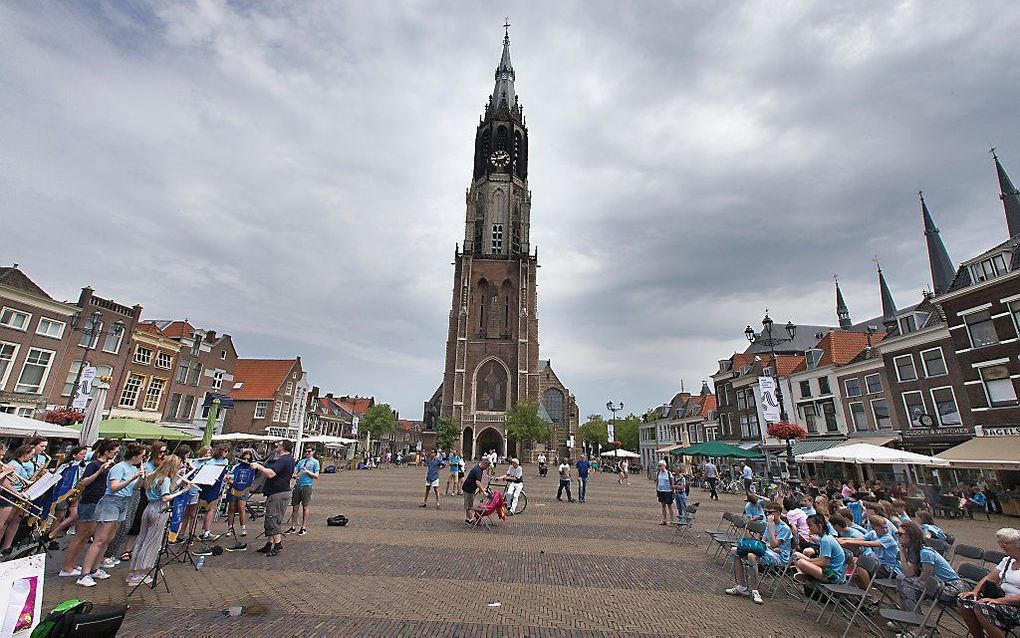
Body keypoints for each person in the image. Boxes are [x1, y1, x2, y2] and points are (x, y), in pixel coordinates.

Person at [78, 443, 146, 587]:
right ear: (135, 456)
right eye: (142, 455)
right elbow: (114, 487)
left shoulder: (133, 468)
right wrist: (132, 478)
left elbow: (134, 488)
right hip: (111, 502)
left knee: (109, 538)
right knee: (100, 539)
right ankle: (84, 574)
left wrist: (141, 478)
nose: (143, 458)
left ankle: (95, 568)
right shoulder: (119, 467)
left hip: (124, 502)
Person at [126, 455, 191, 586]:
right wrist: (183, 491)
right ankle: (139, 573)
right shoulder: (165, 479)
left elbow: (142, 488)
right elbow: (165, 498)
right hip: (159, 510)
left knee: (142, 539)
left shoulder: (153, 476)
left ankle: (133, 571)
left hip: (148, 507)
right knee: (151, 542)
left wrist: (179, 484)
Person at [59, 440, 118, 578]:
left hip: (100, 501)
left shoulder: (111, 465)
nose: (116, 455)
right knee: (82, 535)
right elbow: (84, 481)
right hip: (89, 501)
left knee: (87, 535)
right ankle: (67, 567)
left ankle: (73, 564)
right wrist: (99, 471)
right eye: (114, 452)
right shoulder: (94, 464)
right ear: (107, 451)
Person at [958, 527, 1020, 638]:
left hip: (1016, 606)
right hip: (1001, 600)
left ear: (1018, 545)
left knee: (981, 607)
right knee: (964, 601)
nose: (1001, 546)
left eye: (1005, 543)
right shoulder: (1008, 560)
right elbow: (989, 578)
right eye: (1000, 542)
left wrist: (998, 601)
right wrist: (975, 592)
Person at [726, 500, 792, 604]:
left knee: (751, 556)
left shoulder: (785, 528)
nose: (768, 515)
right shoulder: (769, 525)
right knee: (735, 551)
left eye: (770, 513)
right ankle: (741, 586)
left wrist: (770, 527)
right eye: (766, 513)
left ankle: (755, 590)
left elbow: (775, 544)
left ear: (778, 513)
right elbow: (764, 541)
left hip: (780, 557)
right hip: (769, 551)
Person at [111, 441, 165, 563]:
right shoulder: (146, 465)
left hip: (154, 497)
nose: (163, 455)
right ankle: (124, 549)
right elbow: (142, 484)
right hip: (141, 495)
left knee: (144, 524)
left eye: (164, 452)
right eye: (161, 452)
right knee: (134, 522)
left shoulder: (159, 465)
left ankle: (137, 548)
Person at [895, 520, 963, 611]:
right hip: (936, 584)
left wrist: (910, 583)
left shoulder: (925, 552)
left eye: (900, 534)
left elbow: (925, 577)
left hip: (950, 587)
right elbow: (909, 573)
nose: (898, 536)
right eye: (897, 533)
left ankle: (911, 614)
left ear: (911, 536)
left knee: (906, 584)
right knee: (901, 578)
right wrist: (903, 553)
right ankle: (907, 613)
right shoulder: (914, 551)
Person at [250, 440, 295, 557]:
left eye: (279, 445)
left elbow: (271, 474)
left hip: (277, 494)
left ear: (283, 447)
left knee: (273, 518)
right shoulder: (289, 459)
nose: (276, 447)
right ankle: (269, 544)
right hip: (279, 493)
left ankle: (278, 544)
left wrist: (258, 466)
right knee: (272, 518)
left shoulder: (283, 459)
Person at [45, 446, 89, 548]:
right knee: (59, 516)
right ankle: (52, 539)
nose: (83, 456)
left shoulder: (84, 466)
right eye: (82, 454)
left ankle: (54, 532)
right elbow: (57, 475)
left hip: (76, 492)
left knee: (75, 515)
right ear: (74, 455)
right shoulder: (66, 465)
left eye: (85, 454)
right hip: (64, 493)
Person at [839, 514, 902, 581]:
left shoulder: (888, 538)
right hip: (881, 564)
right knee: (857, 566)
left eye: (886, 527)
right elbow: (861, 539)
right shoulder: (873, 533)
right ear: (874, 527)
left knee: (860, 565)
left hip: (891, 569)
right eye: (882, 528)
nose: (885, 530)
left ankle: (866, 588)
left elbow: (869, 544)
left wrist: (847, 542)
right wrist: (843, 539)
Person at [793, 513, 847, 586]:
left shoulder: (826, 540)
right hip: (826, 569)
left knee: (801, 562)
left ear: (820, 526)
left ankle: (806, 573)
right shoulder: (825, 537)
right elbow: (821, 560)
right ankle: (804, 573)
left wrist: (807, 562)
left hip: (832, 575)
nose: (809, 528)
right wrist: (808, 561)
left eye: (811, 525)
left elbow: (825, 563)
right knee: (796, 555)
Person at [197, 445, 230, 541]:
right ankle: (206, 532)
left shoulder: (225, 461)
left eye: (227, 451)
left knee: (212, 508)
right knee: (210, 509)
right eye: (224, 451)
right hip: (208, 486)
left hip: (218, 486)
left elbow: (225, 474)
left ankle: (205, 530)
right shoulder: (211, 461)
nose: (225, 453)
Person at [286, 447, 321, 534]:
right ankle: (293, 526)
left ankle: (303, 527)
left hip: (307, 486)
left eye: (309, 451)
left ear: (313, 452)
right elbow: (295, 472)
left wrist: (307, 472)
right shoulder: (301, 462)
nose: (307, 453)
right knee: (295, 507)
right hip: (298, 485)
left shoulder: (315, 462)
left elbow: (316, 476)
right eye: (306, 451)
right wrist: (294, 475)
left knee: (305, 507)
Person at [225, 449, 257, 540]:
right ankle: (230, 528)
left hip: (244, 489)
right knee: (231, 508)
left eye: (248, 459)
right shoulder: (236, 466)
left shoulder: (251, 468)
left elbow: (253, 477)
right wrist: (229, 479)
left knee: (241, 507)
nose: (246, 461)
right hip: (234, 488)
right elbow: (230, 476)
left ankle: (243, 528)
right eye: (244, 458)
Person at [461, 458, 489, 524]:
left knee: (468, 504)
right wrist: (484, 492)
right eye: (487, 466)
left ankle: (467, 518)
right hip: (468, 488)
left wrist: (480, 489)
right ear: (484, 464)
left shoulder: (480, 469)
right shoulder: (478, 470)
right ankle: (470, 519)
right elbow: (478, 482)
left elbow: (478, 481)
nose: (486, 468)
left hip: (469, 488)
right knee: (469, 505)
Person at [654, 460, 675, 525]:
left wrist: (673, 491)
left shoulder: (668, 473)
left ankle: (672, 520)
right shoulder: (658, 473)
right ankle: (664, 520)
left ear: (664, 466)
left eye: (661, 465)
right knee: (663, 505)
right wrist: (657, 490)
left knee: (669, 505)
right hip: (660, 490)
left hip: (668, 491)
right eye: (659, 466)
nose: (660, 467)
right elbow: (657, 482)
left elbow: (672, 482)